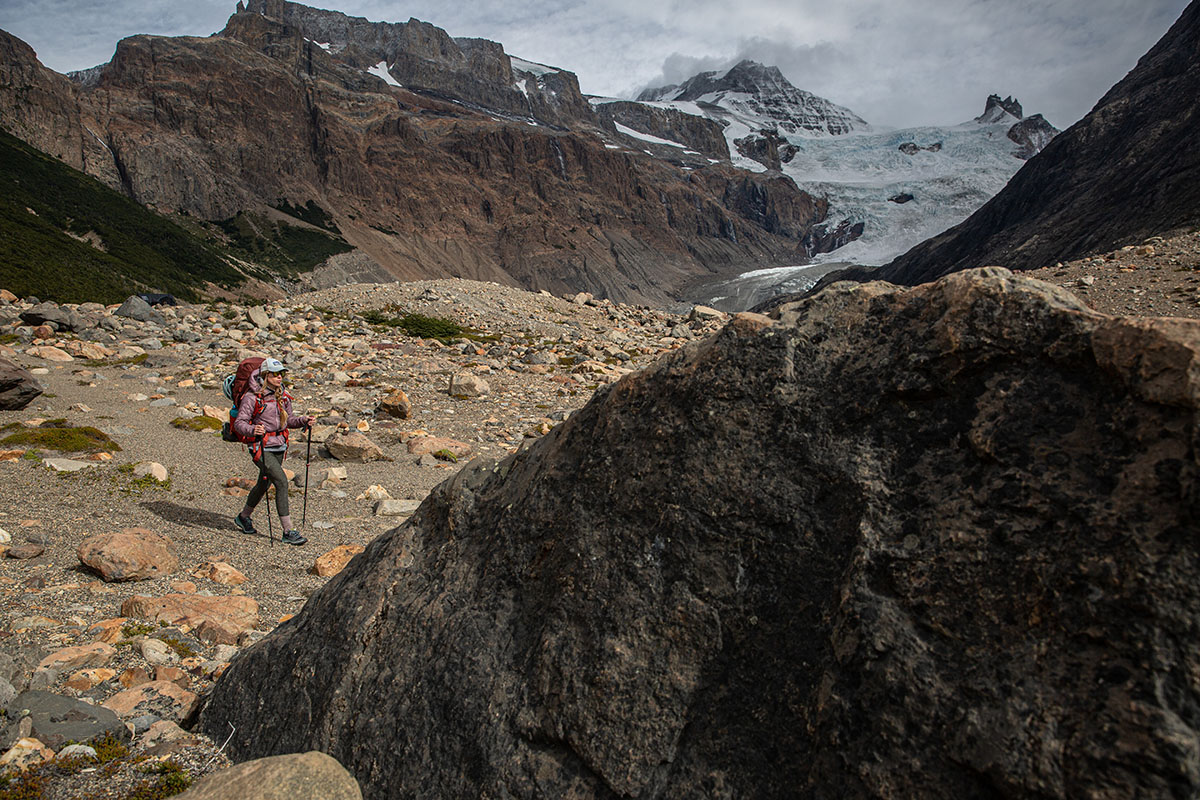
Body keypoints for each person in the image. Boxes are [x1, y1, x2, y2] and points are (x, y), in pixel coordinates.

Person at [231, 357, 313, 545]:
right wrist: (253, 430)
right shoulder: (252, 397)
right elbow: (240, 423)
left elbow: (289, 421)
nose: (279, 378)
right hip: (260, 447)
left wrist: (303, 421)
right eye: (275, 374)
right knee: (281, 481)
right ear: (265, 376)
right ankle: (288, 531)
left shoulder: (283, 396)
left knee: (264, 484)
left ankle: (243, 517)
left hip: (279, 445)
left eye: (281, 374)